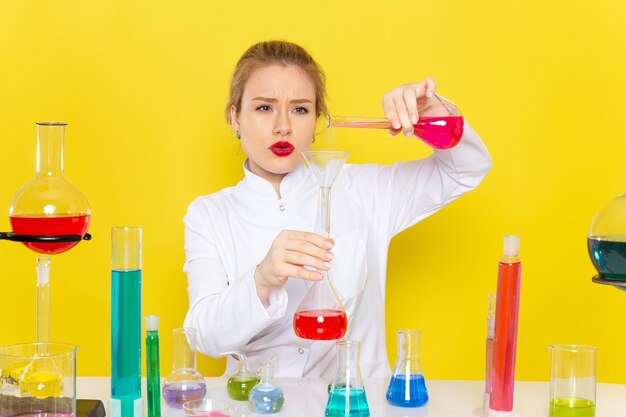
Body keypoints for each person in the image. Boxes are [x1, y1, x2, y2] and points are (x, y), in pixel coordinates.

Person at [183, 40, 491, 379]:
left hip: (355, 402)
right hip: (258, 405)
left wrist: (433, 115)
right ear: (235, 117)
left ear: (317, 120)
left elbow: (467, 169)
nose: (283, 125)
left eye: (300, 109)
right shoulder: (209, 215)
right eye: (264, 108)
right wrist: (262, 279)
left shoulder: (365, 190)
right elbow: (204, 337)